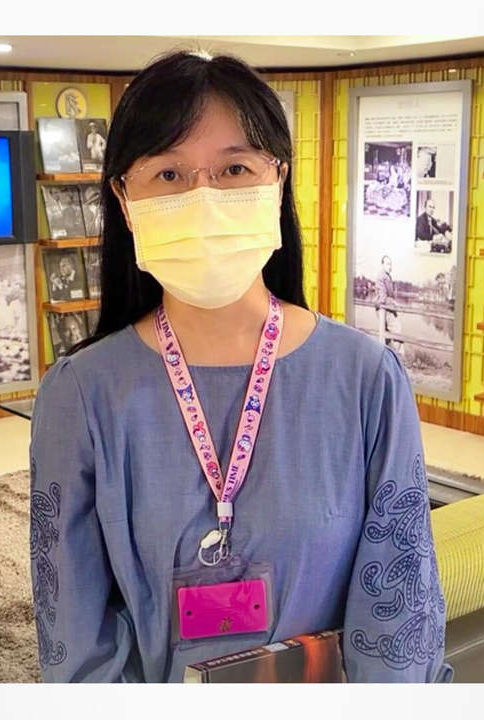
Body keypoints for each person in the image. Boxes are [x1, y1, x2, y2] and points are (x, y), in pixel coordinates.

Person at [29, 51, 448, 684]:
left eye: (234, 168)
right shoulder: (82, 395)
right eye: (168, 173)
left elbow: (398, 610)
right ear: (124, 197)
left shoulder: (366, 378)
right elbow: (74, 635)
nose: (203, 198)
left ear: (277, 182)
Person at [375, 255, 403, 353]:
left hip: (386, 308)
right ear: (382, 265)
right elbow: (382, 297)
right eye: (387, 264)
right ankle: (396, 355)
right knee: (397, 331)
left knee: (386, 334)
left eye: (391, 264)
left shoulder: (386, 276)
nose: (390, 266)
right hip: (384, 309)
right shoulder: (381, 277)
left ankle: (388, 355)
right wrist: (394, 302)